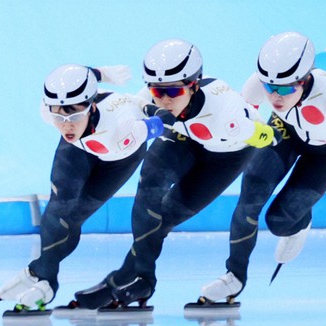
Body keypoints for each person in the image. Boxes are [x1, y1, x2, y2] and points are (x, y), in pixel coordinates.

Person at [73, 38, 275, 310]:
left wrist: (263, 135)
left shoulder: (225, 113)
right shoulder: (150, 99)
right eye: (157, 91)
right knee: (149, 189)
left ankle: (120, 278)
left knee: (165, 217)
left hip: (227, 154)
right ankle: (142, 279)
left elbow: (264, 136)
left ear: (194, 85)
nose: (165, 100)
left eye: (173, 92)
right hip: (183, 138)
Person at [199, 32, 326, 304]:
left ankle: (300, 222)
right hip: (284, 131)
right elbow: (247, 124)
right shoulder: (257, 85)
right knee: (250, 197)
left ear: (304, 80)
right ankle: (234, 277)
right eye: (270, 87)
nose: (275, 96)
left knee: (279, 221)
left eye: (285, 89)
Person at [0, 63, 170, 313]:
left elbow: (165, 123)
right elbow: (70, 77)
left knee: (74, 217)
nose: (66, 125)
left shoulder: (123, 130)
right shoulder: (51, 113)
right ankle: (46, 280)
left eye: (74, 116)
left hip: (118, 156)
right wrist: (100, 73)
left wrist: (149, 107)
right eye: (59, 117)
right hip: (80, 148)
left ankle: (37, 270)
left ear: (91, 106)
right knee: (59, 207)